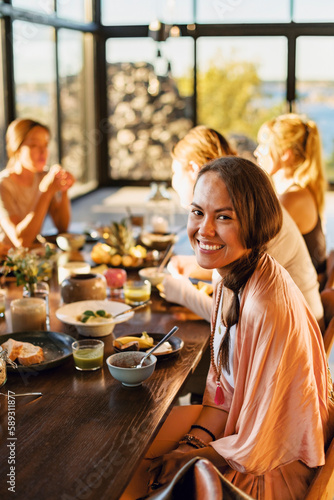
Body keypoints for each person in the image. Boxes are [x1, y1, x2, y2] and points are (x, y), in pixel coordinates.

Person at [121, 157, 333, 500]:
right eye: (197, 212)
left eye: (224, 217)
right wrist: (195, 440)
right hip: (242, 438)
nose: (204, 230)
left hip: (270, 472)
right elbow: (224, 391)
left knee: (131, 469)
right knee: (133, 446)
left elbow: (263, 442)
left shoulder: (266, 306)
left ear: (255, 223)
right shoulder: (231, 274)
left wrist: (194, 456)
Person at [164, 125, 324, 325]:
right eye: (198, 213)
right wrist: (194, 266)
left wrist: (181, 292)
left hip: (296, 326)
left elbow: (235, 317)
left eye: (173, 172)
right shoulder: (247, 199)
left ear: (193, 169)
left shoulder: (254, 215)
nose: (173, 182)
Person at [254, 113, 327, 284]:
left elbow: (256, 250)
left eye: (264, 145)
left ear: (285, 154)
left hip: (303, 299)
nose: (257, 151)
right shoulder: (294, 193)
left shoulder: (292, 199)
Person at [0, 118, 75, 248]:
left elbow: (62, 226)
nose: (43, 151)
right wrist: (46, 192)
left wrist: (63, 188)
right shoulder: (3, 185)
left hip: (36, 257)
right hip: (9, 262)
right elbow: (21, 241)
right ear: (16, 148)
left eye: (45, 145)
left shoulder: (43, 177)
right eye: (34, 145)